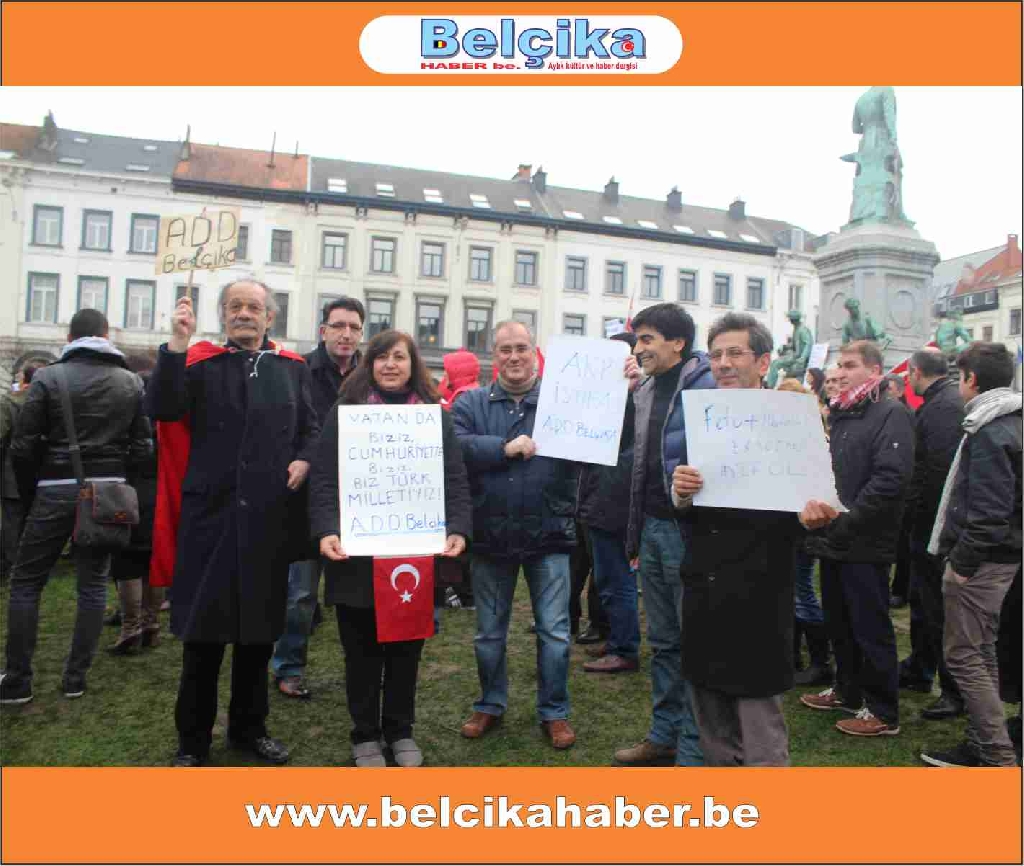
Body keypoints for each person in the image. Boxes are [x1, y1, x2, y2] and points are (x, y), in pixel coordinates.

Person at [148, 279, 319, 766]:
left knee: (257, 639)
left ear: (270, 317)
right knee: (203, 641)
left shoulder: (292, 369)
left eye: (253, 307)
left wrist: (305, 458)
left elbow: (310, 428)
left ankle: (249, 729)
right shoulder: (199, 364)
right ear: (223, 315)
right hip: (212, 520)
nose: (244, 313)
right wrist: (177, 342)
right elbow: (162, 407)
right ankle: (193, 742)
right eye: (235, 306)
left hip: (267, 523)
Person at [671, 312, 838, 765]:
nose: (723, 363)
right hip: (705, 587)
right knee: (711, 723)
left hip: (760, 591)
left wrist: (812, 518)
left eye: (735, 353)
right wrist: (680, 492)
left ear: (763, 362)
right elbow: (686, 502)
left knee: (759, 726)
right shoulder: (702, 417)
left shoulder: (792, 422)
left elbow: (813, 507)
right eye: (716, 354)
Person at [309, 330, 471, 767]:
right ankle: (364, 734)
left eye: (399, 357)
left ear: (413, 364)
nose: (390, 365)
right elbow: (323, 477)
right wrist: (326, 529)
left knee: (405, 653)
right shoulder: (346, 413)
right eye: (381, 357)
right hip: (355, 557)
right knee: (360, 654)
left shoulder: (434, 417)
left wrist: (458, 527)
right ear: (370, 364)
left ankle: (400, 731)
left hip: (412, 558)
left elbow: (454, 477)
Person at [0, 310, 150, 705]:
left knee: (27, 581)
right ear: (106, 335)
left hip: (53, 487)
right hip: (107, 492)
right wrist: (117, 476)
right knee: (93, 584)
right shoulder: (130, 381)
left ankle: (17, 681)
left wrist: (33, 489)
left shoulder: (48, 377)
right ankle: (74, 679)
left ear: (69, 337)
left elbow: (23, 446)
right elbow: (143, 447)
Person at [453, 319, 580, 750]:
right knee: (489, 633)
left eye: (521, 348)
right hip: (492, 535)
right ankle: (489, 703)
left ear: (534, 353)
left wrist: (620, 390)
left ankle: (554, 712)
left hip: (550, 533)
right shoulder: (471, 402)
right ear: (494, 356)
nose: (514, 357)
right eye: (505, 349)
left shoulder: (563, 402)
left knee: (555, 632)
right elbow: (454, 446)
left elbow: (605, 440)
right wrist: (502, 449)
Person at [615, 302, 715, 767]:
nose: (638, 349)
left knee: (693, 645)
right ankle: (663, 735)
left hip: (689, 533)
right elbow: (636, 457)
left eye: (647, 339)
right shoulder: (647, 388)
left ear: (678, 342)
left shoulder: (709, 386)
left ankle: (692, 749)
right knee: (663, 643)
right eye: (637, 339)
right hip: (653, 528)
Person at [801, 340, 914, 737]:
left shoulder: (891, 413)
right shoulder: (846, 412)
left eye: (850, 365)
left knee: (870, 627)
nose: (841, 373)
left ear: (875, 370)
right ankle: (847, 690)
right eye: (839, 365)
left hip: (866, 539)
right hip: (835, 538)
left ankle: (883, 711)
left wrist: (847, 519)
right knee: (840, 622)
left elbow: (890, 479)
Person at [920, 342, 1022, 768]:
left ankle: (998, 758)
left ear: (971, 380)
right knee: (981, 651)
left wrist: (960, 566)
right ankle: (985, 742)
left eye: (959, 377)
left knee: (964, 656)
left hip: (983, 563)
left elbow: (990, 512)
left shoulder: (990, 429)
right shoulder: (1010, 421)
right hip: (1000, 558)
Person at [272, 296, 365, 700]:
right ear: (323, 330)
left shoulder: (370, 374)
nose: (346, 334)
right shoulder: (298, 370)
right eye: (339, 325)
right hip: (308, 503)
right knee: (300, 594)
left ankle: (362, 668)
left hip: (359, 500)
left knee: (357, 595)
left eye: (354, 327)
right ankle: (288, 666)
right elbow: (288, 428)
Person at [898, 348, 965, 718]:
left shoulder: (942, 408)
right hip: (929, 524)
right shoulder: (941, 403)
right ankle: (920, 668)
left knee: (937, 608)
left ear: (915, 372)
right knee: (922, 602)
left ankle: (951, 688)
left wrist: (913, 512)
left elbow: (935, 473)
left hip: (933, 527)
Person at [578, 330, 640, 674]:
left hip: (611, 500)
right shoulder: (616, 395)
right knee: (608, 579)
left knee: (617, 580)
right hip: (601, 496)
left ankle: (624, 649)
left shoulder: (633, 396)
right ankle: (617, 638)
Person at [777, 379, 833, 686]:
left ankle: (821, 660)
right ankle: (792, 655)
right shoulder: (793, 438)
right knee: (790, 589)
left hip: (805, 528)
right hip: (788, 526)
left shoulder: (813, 442)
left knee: (801, 590)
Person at [108, 352, 164, 654]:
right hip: (160, 492)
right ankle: (151, 624)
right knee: (152, 558)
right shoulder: (167, 416)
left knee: (126, 560)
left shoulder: (125, 416)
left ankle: (131, 628)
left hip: (127, 491)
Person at [1, 362, 43, 583]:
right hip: (45, 469)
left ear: (24, 379)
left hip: (14, 469)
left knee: (13, 519)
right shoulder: (53, 402)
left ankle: (11, 565)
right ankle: (33, 564)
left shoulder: (11, 402)